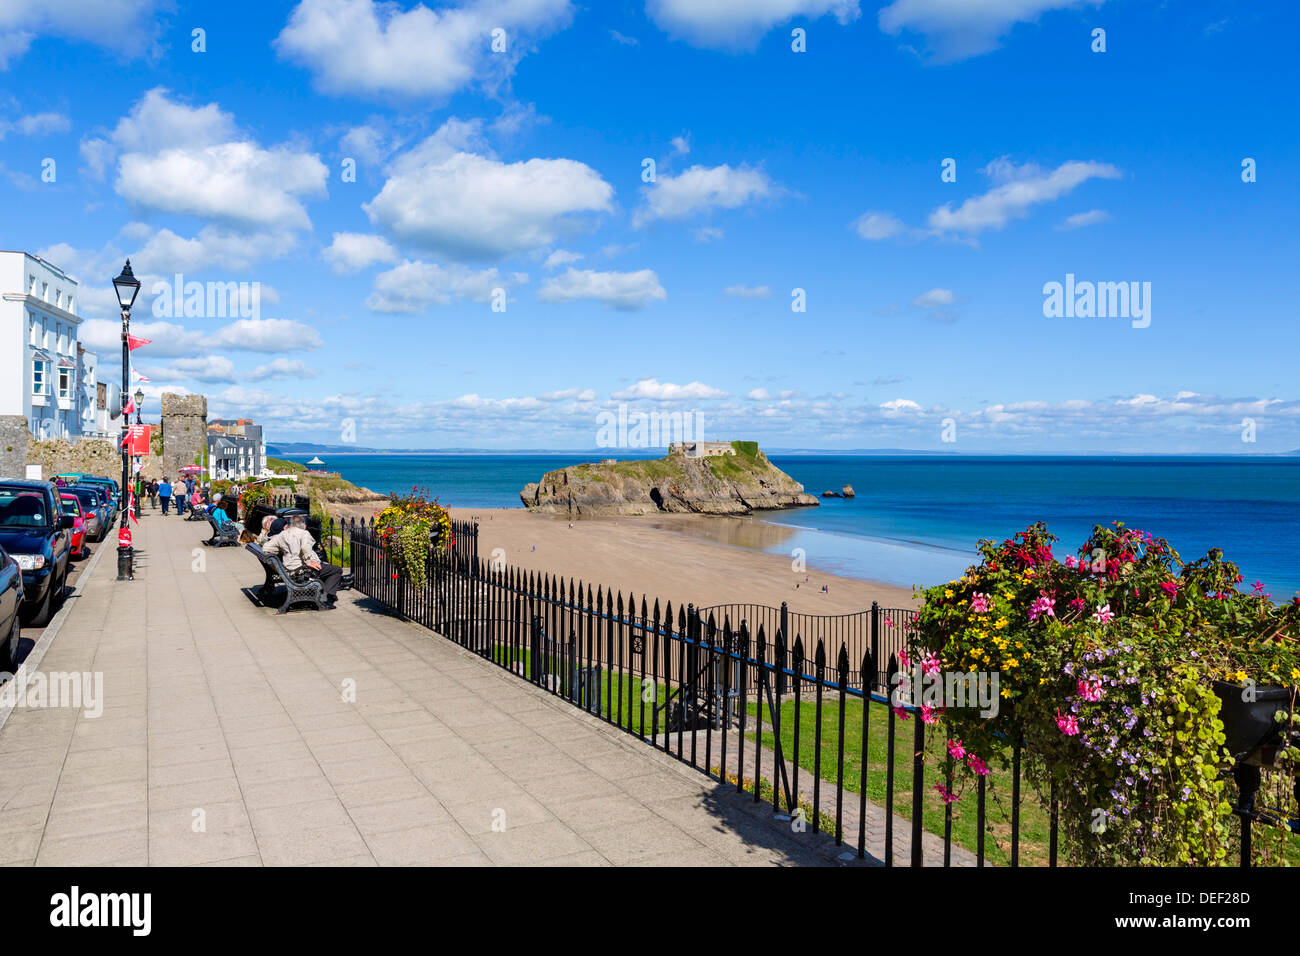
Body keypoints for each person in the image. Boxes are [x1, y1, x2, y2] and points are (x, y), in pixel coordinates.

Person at [264, 514, 343, 605]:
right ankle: (326, 598)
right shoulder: (304, 533)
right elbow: (305, 548)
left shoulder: (282, 534)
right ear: (304, 526)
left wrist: (282, 550)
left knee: (324, 567)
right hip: (301, 570)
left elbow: (266, 548)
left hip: (288, 569)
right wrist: (309, 561)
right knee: (336, 570)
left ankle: (323, 594)